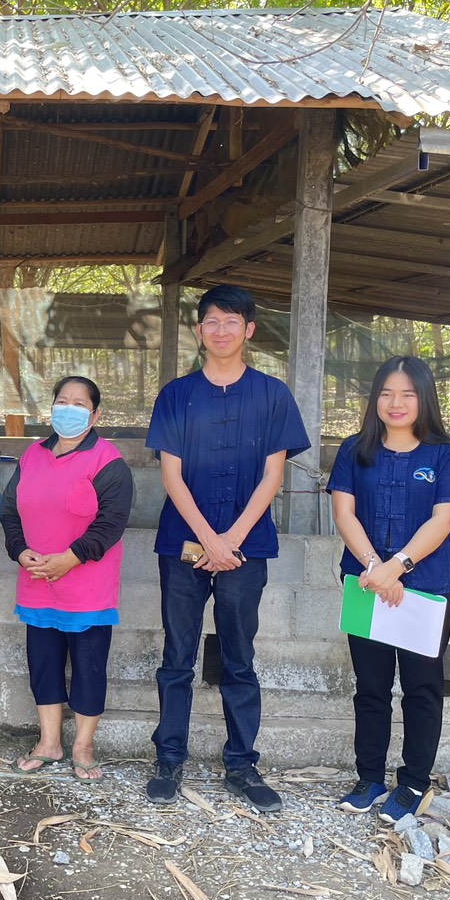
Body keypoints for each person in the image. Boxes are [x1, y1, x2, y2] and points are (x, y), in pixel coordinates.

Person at [144, 284, 309, 813]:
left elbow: (273, 475)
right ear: (199, 330)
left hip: (246, 547)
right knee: (177, 656)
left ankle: (241, 764)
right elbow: (171, 474)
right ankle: (169, 757)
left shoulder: (272, 395)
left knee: (239, 658)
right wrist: (208, 541)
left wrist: (229, 541)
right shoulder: (176, 394)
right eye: (211, 321)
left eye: (231, 322)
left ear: (249, 329)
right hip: (184, 542)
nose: (220, 330)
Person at [329, 356, 450, 823]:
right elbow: (344, 514)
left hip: (425, 589)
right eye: (387, 393)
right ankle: (369, 776)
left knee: (421, 688)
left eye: (408, 394)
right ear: (375, 399)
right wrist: (376, 568)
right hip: (366, 585)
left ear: (424, 398)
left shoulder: (445, 456)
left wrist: (399, 566)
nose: (396, 402)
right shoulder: (353, 450)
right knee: (370, 687)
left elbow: (444, 519)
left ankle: (412, 783)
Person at [0, 376, 134, 782]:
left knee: (89, 667)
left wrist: (70, 559)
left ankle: (83, 747)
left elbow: (111, 523)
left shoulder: (108, 462)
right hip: (37, 581)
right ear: (51, 408)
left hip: (86, 588)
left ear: (95, 415)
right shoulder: (32, 456)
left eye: (79, 403)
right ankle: (49, 743)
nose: (68, 408)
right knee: (44, 665)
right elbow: (10, 511)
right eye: (62, 400)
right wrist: (20, 552)